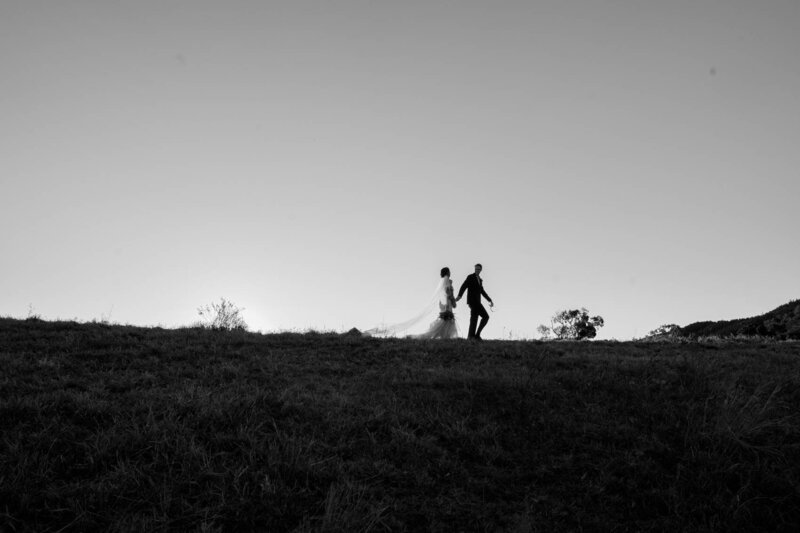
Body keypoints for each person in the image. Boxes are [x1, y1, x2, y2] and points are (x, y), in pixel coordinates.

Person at [363, 267, 460, 339]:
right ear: (447, 272)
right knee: (438, 330)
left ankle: (444, 339)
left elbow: (444, 296)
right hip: (447, 308)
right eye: (449, 271)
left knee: (441, 329)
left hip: (445, 307)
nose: (450, 272)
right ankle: (437, 338)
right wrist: (452, 301)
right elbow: (449, 294)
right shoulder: (447, 282)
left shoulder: (442, 282)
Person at [455, 263, 493, 340]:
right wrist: (459, 296)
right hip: (472, 301)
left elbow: (482, 291)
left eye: (478, 269)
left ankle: (474, 336)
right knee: (478, 318)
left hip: (478, 302)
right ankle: (474, 336)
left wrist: (489, 300)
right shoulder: (470, 277)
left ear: (481, 270)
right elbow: (464, 286)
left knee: (480, 317)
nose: (477, 270)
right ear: (474, 269)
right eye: (476, 269)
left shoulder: (480, 280)